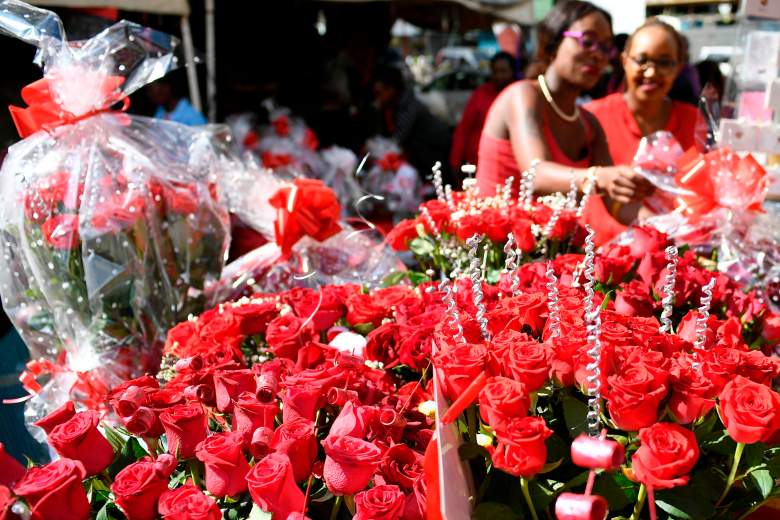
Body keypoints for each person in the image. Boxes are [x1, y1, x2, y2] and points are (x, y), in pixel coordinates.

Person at [477, 0, 652, 243]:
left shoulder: (590, 125)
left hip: (548, 263)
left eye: (605, 47)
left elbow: (619, 206)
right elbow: (535, 175)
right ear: (554, 40)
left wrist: (671, 226)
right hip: (492, 259)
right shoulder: (523, 96)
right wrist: (600, 177)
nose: (597, 54)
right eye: (587, 41)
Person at [584, 18, 702, 167]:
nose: (651, 73)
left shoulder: (695, 123)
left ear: (678, 68)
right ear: (625, 61)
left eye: (664, 62)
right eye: (641, 60)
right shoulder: (592, 117)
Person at [373, 66, 452, 184]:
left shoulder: (408, 108)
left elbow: (397, 141)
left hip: (435, 159)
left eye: (380, 93)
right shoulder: (398, 106)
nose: (378, 99)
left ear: (391, 90)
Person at [449, 52, 516, 171]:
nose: (499, 76)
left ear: (512, 72)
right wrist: (455, 161)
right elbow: (464, 129)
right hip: (478, 164)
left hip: (509, 164)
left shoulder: (519, 94)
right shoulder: (480, 94)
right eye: (495, 71)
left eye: (503, 71)